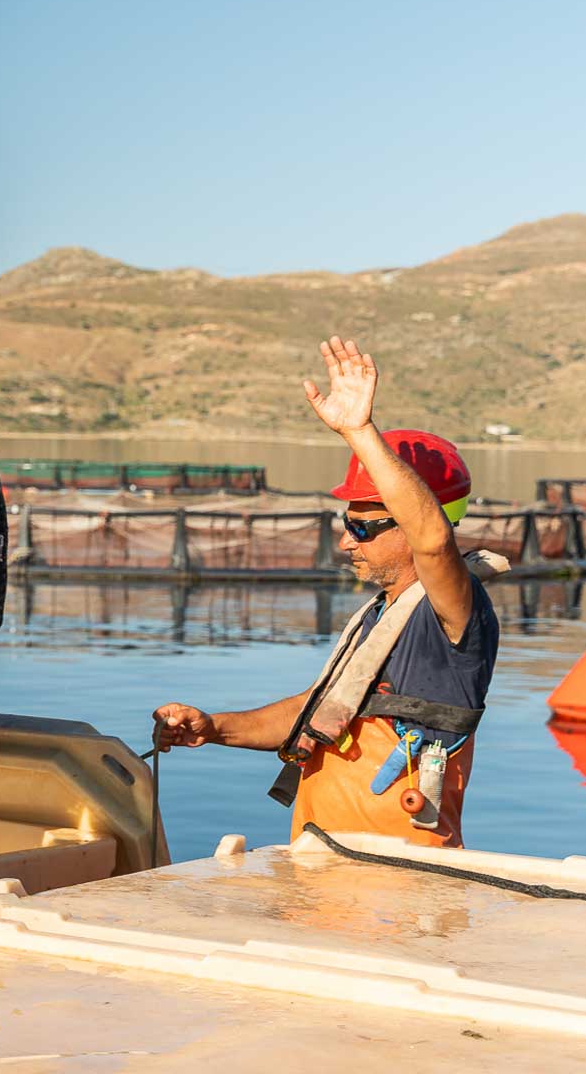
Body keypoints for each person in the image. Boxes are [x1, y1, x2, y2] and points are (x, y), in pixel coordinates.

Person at [153, 336, 500, 847]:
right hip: (326, 872)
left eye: (361, 527)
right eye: (345, 523)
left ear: (407, 524)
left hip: (398, 886)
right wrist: (213, 728)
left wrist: (358, 431)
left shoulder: (454, 613)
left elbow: (432, 538)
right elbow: (318, 712)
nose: (344, 540)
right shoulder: (382, 615)